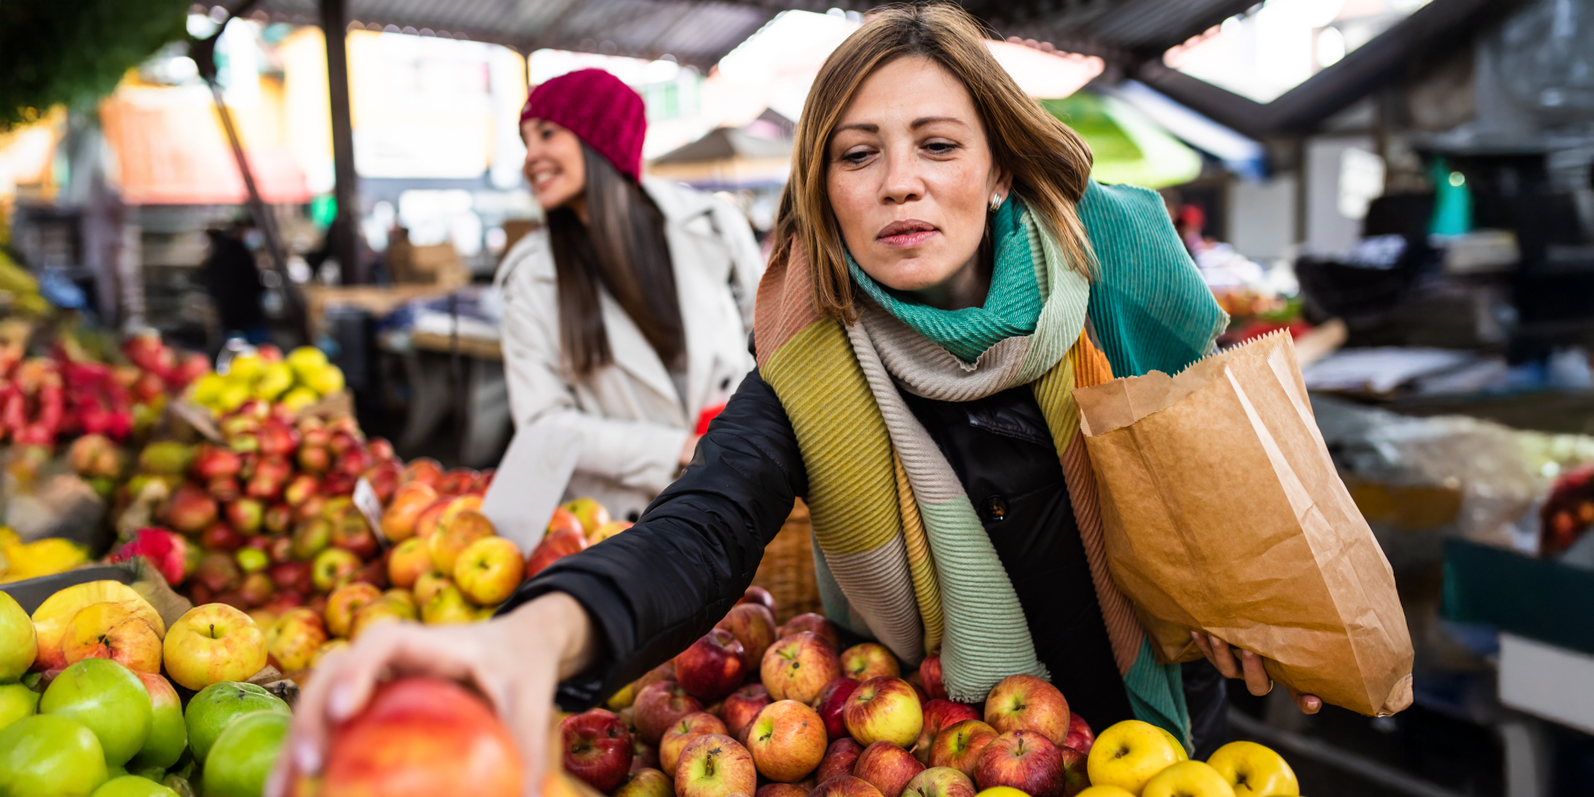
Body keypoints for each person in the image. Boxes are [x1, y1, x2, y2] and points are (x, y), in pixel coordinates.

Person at [269, 8, 1321, 795]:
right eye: (858, 155)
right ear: (823, 192)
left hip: (1166, 739)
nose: (899, 181)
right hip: (939, 757)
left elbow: (1240, 451)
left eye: (937, 145)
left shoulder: (1113, 278)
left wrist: (1273, 591)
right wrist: (526, 641)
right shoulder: (813, 368)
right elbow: (698, 530)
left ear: (999, 171)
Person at [495, 68, 764, 522]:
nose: (531, 156)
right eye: (526, 142)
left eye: (546, 134)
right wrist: (675, 448)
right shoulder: (530, 275)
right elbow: (542, 422)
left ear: (600, 138)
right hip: (620, 522)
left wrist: (743, 431)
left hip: (739, 490)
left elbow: (772, 342)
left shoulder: (714, 225)